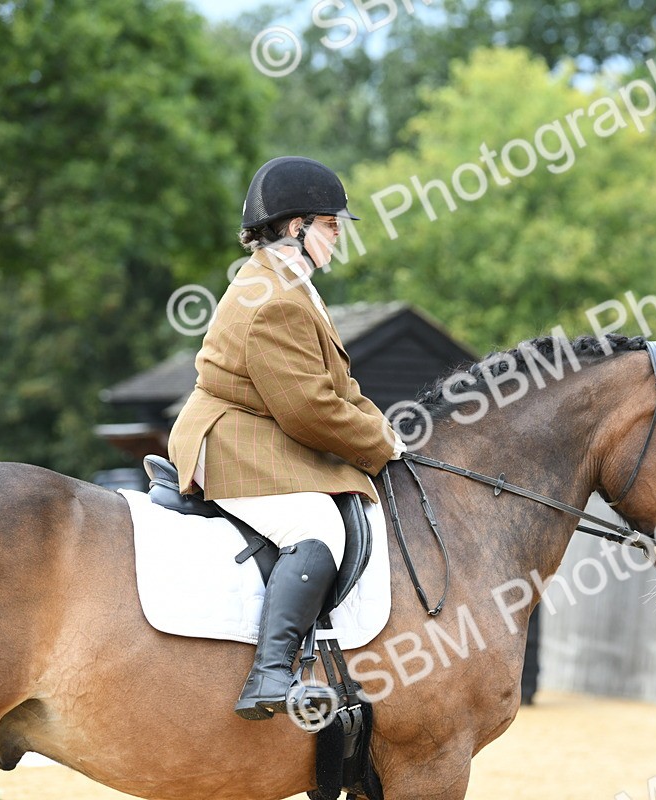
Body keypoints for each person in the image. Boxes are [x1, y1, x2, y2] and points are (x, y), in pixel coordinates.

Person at [167, 156, 405, 721]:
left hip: (257, 427)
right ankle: (269, 675)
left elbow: (341, 388)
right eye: (331, 224)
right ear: (296, 227)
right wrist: (381, 447)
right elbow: (309, 410)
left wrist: (386, 432)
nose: (339, 234)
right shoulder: (274, 297)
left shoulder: (291, 286)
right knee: (316, 525)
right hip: (228, 437)